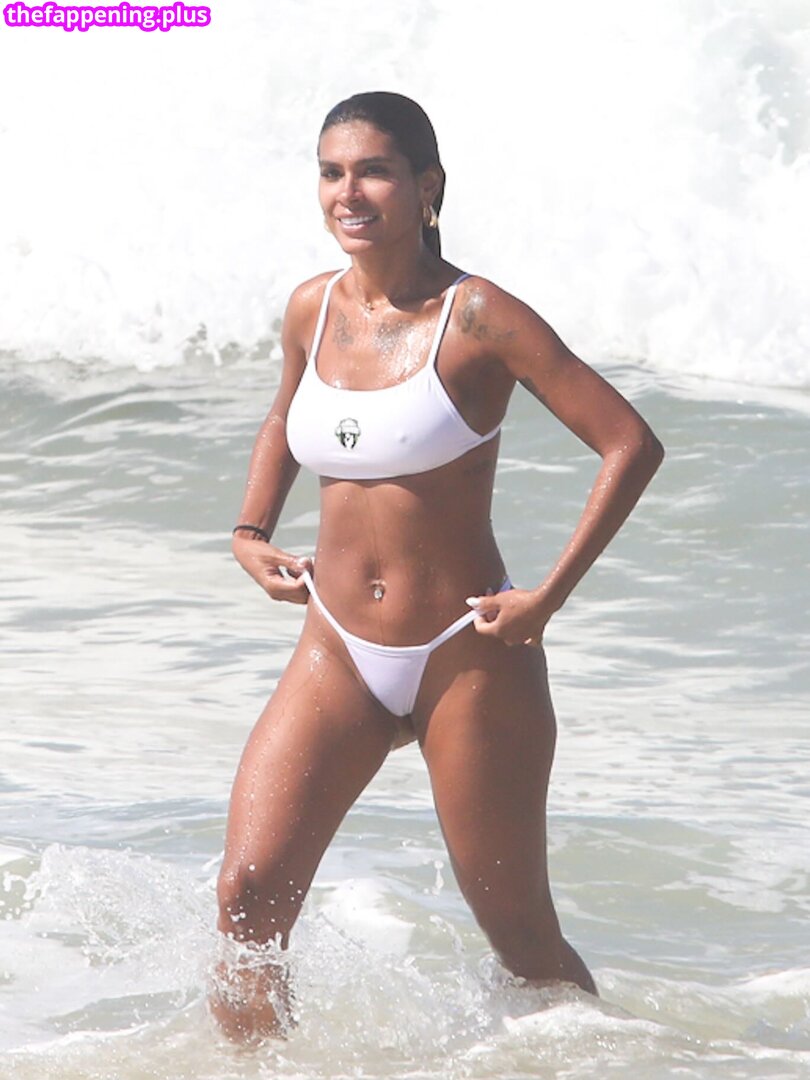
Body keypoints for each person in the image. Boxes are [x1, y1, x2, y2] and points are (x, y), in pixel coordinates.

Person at [209, 91, 664, 1041]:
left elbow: (629, 443)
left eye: (373, 171)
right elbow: (284, 417)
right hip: (335, 645)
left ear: (427, 187)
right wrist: (251, 530)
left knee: (522, 938)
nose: (348, 192)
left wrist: (546, 598)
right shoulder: (312, 308)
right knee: (248, 899)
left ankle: (620, 1059)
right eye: (332, 173)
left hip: (467, 652)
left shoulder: (479, 316)